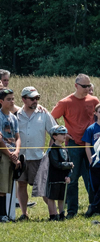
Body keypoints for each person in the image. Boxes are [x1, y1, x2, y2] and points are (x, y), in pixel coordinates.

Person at [51, 74, 100, 218]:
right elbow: (52, 117)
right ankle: (72, 210)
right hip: (73, 145)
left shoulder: (94, 100)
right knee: (71, 178)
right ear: (76, 86)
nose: (87, 89)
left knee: (91, 177)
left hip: (90, 144)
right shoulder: (65, 102)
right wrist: (63, 133)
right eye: (84, 86)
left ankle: (94, 207)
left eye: (89, 86)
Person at [15, 86, 56, 221]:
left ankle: (54, 214)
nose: (35, 101)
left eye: (37, 98)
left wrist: (49, 151)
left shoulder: (44, 113)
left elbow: (54, 132)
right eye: (32, 98)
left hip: (38, 157)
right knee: (21, 184)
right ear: (23, 99)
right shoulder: (17, 115)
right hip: (21, 158)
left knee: (42, 187)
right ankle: (24, 213)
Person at [0, 88, 21, 223]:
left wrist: (17, 152)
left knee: (9, 184)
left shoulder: (13, 117)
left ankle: (8, 213)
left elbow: (17, 137)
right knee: (2, 186)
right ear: (1, 101)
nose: (12, 101)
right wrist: (9, 154)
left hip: (13, 154)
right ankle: (2, 214)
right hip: (3, 154)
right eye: (8, 99)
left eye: (13, 99)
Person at [45, 125, 73, 220]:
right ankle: (53, 215)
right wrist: (68, 165)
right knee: (52, 197)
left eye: (65, 134)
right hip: (54, 177)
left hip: (63, 177)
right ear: (55, 136)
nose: (64, 136)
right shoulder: (52, 150)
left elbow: (69, 163)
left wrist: (69, 175)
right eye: (61, 134)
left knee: (62, 197)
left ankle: (61, 214)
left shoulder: (65, 149)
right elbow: (56, 163)